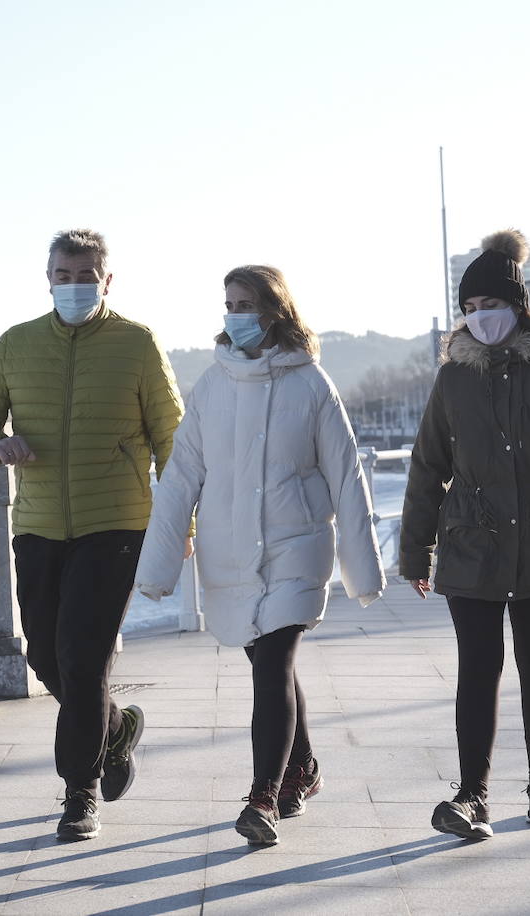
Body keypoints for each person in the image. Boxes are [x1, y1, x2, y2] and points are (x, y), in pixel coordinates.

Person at [133, 265, 384, 846]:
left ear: (276, 311)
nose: (235, 316)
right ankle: (304, 767)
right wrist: (158, 567)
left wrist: (361, 570)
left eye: (247, 304)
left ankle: (262, 798)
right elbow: (179, 479)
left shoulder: (312, 383)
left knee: (273, 665)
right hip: (228, 552)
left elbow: (346, 476)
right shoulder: (213, 385)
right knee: (273, 667)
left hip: (297, 547)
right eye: (229, 304)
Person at [0, 229, 184, 842]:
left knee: (82, 659)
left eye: (88, 275)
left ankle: (79, 794)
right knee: (45, 657)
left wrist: (182, 522)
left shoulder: (137, 344)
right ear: (48, 277)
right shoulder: (16, 344)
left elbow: (173, 438)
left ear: (107, 280)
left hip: (116, 524)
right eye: (65, 274)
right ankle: (114, 729)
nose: (76, 284)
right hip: (37, 524)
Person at [399, 230, 530, 841]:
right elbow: (427, 467)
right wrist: (417, 551)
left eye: (489, 306)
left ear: (515, 306)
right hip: (471, 543)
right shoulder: (453, 380)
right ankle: (471, 795)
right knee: (477, 667)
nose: (479, 318)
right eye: (469, 309)